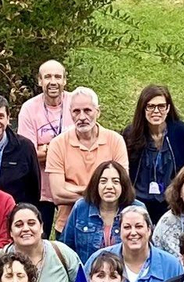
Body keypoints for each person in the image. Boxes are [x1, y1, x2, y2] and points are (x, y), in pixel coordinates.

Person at [44, 87, 128, 233]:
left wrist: (71, 187)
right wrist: (101, 191)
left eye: (87, 110)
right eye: (76, 111)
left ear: (98, 112)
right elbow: (57, 194)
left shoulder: (115, 141)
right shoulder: (57, 144)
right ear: (70, 113)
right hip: (69, 226)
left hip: (110, 225)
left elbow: (122, 186)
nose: (82, 117)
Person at [123, 83, 184, 220]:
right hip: (138, 203)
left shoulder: (181, 132)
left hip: (173, 203)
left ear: (168, 108)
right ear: (143, 108)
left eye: (161, 106)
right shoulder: (131, 134)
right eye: (151, 106)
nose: (156, 111)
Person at [92, 206, 182, 282]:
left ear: (149, 230)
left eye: (139, 226)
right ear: (120, 231)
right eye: (127, 227)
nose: (133, 232)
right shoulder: (98, 258)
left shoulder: (171, 265)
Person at [63, 160, 142, 263]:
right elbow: (66, 248)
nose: (109, 187)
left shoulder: (137, 209)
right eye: (103, 181)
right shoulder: (81, 208)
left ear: (123, 186)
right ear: (96, 185)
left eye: (115, 181)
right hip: (88, 271)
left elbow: (146, 249)